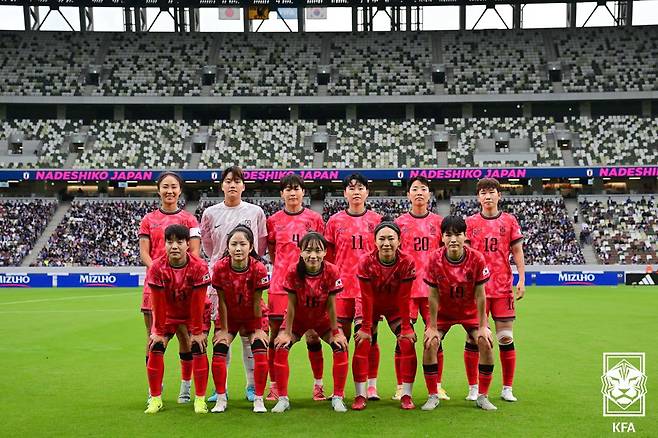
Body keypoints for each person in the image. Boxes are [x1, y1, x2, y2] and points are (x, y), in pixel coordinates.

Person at [200, 165, 268, 402]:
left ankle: (252, 387)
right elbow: (208, 246)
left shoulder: (255, 212)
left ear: (243, 186)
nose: (232, 185)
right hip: (220, 279)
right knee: (222, 331)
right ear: (222, 185)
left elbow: (260, 243)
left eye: (237, 181)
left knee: (251, 334)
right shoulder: (210, 213)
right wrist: (223, 262)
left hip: (248, 278)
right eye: (228, 181)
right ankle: (221, 388)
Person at [139, 171, 201, 404]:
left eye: (174, 187)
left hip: (183, 287)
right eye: (165, 186)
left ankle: (185, 387)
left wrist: (179, 274)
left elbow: (194, 252)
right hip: (155, 286)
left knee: (185, 336)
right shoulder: (148, 219)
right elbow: (144, 252)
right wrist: (160, 270)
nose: (170, 191)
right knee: (153, 336)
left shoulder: (189, 220)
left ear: (180, 190)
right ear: (158, 190)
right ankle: (154, 388)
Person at [423, 215, 496, 411]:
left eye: (458, 234)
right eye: (448, 235)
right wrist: (431, 327)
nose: (453, 239)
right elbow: (433, 296)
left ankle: (483, 396)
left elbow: (481, 295)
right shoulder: (433, 259)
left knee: (486, 343)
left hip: (470, 312)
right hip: (443, 314)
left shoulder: (477, 258)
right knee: (430, 343)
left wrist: (482, 326)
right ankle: (432, 395)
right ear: (442, 237)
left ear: (465, 236)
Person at [271, 232, 349, 413]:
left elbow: (331, 305)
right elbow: (290, 305)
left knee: (340, 347)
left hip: (323, 320)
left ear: (324, 253)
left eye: (317, 251)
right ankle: (282, 399)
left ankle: (337, 397)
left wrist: (336, 332)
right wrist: (286, 332)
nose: (312, 255)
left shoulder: (331, 270)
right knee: (281, 348)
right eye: (308, 250)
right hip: (298, 320)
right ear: (301, 252)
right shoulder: (292, 271)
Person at [266, 174, 326, 401]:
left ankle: (318, 385)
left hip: (311, 287)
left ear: (303, 192)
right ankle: (275, 386)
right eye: (288, 189)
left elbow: (320, 251)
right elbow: (272, 252)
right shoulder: (273, 221)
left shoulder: (315, 219)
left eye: (296, 189)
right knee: (277, 338)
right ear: (282, 194)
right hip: (280, 287)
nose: (292, 193)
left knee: (313, 336)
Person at [465, 178, 525, 402]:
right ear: (478, 197)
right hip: (476, 290)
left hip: (502, 288)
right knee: (474, 339)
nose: (487, 196)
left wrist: (522, 279)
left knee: (505, 338)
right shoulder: (470, 223)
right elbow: (466, 256)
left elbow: (517, 251)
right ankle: (473, 387)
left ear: (499, 195)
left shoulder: (509, 221)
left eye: (491, 192)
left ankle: (507, 387)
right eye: (483, 193)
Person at [324, 173, 382, 400]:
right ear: (345, 193)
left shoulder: (377, 221)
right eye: (351, 188)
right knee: (339, 339)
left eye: (361, 187)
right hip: (340, 290)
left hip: (367, 290)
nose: (356, 191)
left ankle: (371, 385)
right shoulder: (335, 222)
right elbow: (328, 259)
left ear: (367, 192)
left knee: (370, 337)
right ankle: (338, 388)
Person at [145, 224, 211, 414]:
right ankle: (155, 399)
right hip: (168, 314)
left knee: (198, 346)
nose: (174, 246)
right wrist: (157, 332)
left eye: (179, 242)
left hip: (194, 314)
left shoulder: (199, 266)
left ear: (188, 245)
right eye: (169, 241)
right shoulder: (157, 267)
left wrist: (197, 332)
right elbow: (157, 302)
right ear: (164, 244)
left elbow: (198, 303)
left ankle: (199, 399)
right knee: (155, 346)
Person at [352, 219, 417, 410]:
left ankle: (406, 394)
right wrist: (365, 328)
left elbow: (405, 297)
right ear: (374, 241)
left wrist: (406, 327)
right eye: (382, 239)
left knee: (406, 341)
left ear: (399, 241)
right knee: (362, 341)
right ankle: (360, 395)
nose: (386, 243)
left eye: (391, 238)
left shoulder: (407, 261)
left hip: (395, 307)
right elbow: (366, 296)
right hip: (367, 306)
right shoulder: (365, 261)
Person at [394, 176, 448, 401]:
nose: (418, 193)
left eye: (423, 189)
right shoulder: (399, 223)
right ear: (408, 195)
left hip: (432, 290)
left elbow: (445, 255)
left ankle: (437, 385)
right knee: (403, 338)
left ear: (429, 194)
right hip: (406, 290)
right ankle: (400, 386)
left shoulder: (439, 222)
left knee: (436, 338)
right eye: (414, 189)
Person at [210, 226, 270, 413]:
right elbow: (222, 301)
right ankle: (221, 398)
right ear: (227, 247)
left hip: (254, 315)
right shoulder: (220, 268)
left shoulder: (258, 268)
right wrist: (223, 329)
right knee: (219, 348)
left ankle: (258, 399)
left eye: (242, 244)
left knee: (259, 349)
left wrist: (258, 328)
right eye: (233, 244)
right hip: (230, 316)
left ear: (251, 246)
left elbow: (257, 301)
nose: (238, 248)